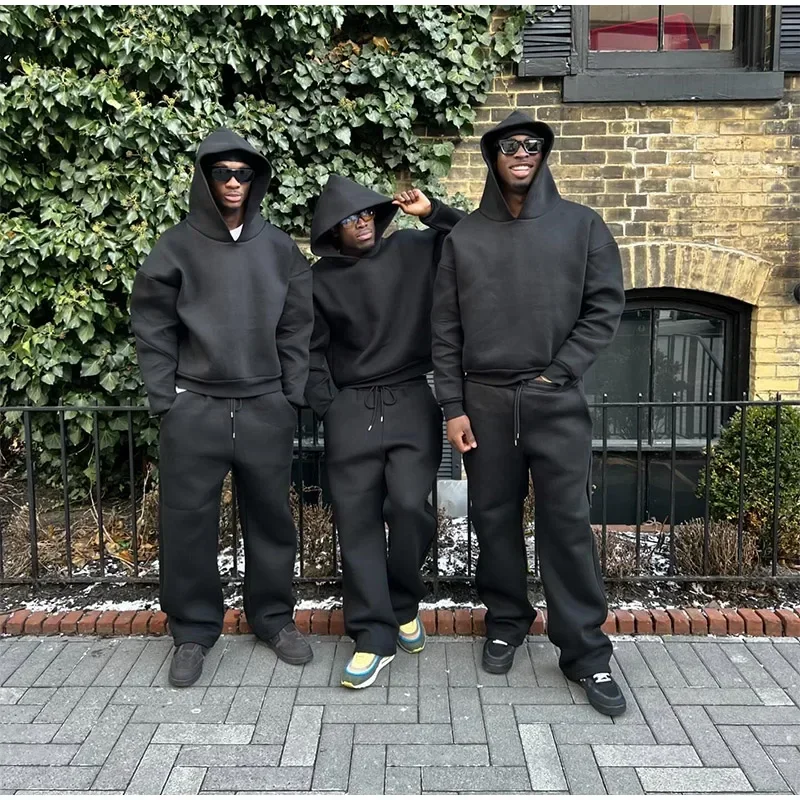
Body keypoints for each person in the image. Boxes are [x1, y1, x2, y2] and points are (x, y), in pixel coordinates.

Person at [431, 110, 627, 716]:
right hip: (484, 404)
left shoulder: (582, 226)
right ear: (493, 156)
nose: (522, 152)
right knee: (492, 520)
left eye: (533, 144)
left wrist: (555, 375)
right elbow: (445, 329)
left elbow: (603, 308)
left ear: (543, 154)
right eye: (510, 145)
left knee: (566, 526)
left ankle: (585, 653)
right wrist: (453, 406)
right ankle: (506, 621)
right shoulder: (465, 238)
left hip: (554, 402)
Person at [131, 129, 314, 687]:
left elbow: (297, 326)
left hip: (264, 407)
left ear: (256, 180)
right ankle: (192, 630)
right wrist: (167, 398)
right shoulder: (175, 246)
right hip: (196, 408)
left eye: (243, 174)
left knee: (271, 518)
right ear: (205, 178)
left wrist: (288, 394)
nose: (234, 183)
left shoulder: (279, 248)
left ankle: (273, 618)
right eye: (222, 173)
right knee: (187, 522)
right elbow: (152, 324)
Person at [305, 175, 463, 689]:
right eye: (349, 219)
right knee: (357, 523)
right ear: (333, 230)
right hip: (351, 407)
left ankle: (402, 602)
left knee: (410, 509)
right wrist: (329, 405)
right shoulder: (318, 280)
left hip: (410, 399)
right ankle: (372, 636)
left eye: (367, 213)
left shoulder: (413, 250)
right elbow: (310, 349)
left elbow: (474, 239)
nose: (362, 223)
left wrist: (432, 212)